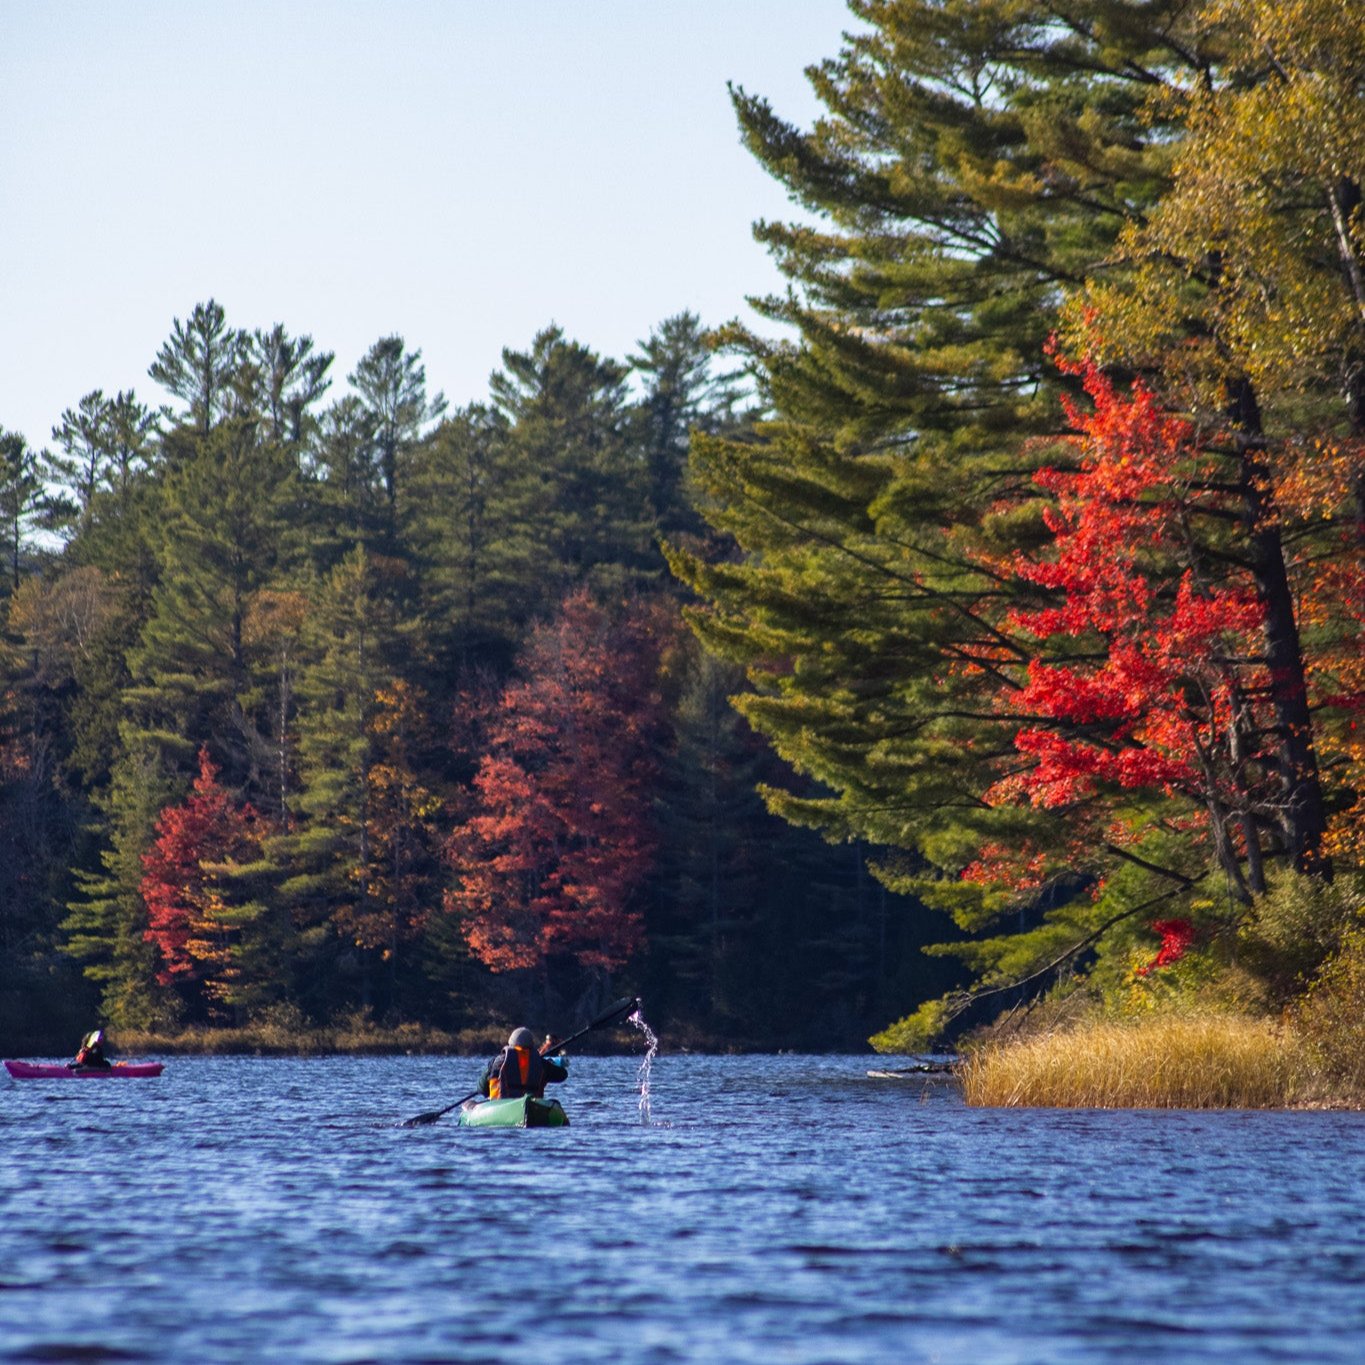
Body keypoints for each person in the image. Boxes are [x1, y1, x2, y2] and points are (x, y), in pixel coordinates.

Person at [480, 1026, 567, 1100]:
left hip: (502, 1106)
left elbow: (482, 1090)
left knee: (472, 1104)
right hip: (532, 1106)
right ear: (531, 1045)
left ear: (511, 1043)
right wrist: (550, 1062)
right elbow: (563, 1075)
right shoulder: (542, 1064)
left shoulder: (496, 1062)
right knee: (555, 1103)